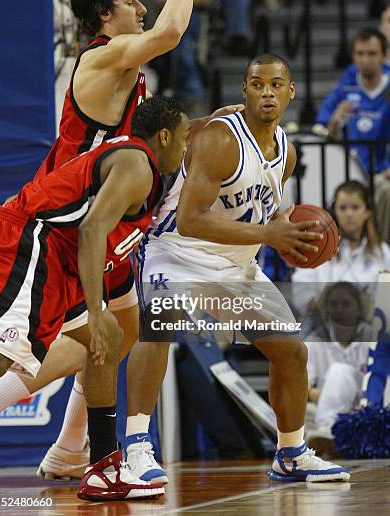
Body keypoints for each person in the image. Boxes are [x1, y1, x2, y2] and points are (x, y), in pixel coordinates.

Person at [0, 0, 203, 482]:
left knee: (119, 330)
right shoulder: (104, 58)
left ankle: (70, 449)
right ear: (106, 17)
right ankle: (93, 451)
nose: (141, 6)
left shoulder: (128, 78)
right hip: (56, 222)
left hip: (96, 219)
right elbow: (173, 29)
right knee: (24, 345)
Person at [134, 53, 350, 482]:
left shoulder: (286, 152)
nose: (266, 92)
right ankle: (137, 446)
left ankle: (290, 454)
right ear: (245, 91)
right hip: (178, 251)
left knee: (291, 352)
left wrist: (298, 236)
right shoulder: (221, 139)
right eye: (256, 84)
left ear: (290, 92)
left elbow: (258, 217)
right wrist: (269, 236)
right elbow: (193, 219)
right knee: (157, 327)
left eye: (275, 85)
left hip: (236, 264)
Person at [0, 96, 190, 500]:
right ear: (165, 136)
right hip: (32, 241)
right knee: (0, 355)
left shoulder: (140, 163)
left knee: (111, 340)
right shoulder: (138, 164)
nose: (187, 148)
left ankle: (102, 466)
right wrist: (97, 308)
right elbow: (93, 230)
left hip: (63, 261)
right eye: (184, 138)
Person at [315, 28, 390, 245]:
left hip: (380, 171)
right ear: (353, 56)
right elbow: (322, 131)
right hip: (346, 169)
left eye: (372, 53)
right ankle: (330, 253)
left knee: (386, 190)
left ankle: (382, 254)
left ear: (383, 55)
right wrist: (335, 121)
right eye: (360, 53)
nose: (365, 60)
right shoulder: (344, 88)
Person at [292, 180, 390, 321]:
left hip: (367, 329)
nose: (349, 214)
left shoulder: (382, 253)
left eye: (355, 207)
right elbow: (300, 291)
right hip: (325, 328)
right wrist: (322, 303)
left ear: (367, 212)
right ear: (334, 211)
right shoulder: (318, 248)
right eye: (343, 208)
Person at [303, 282, 372, 458]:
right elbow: (302, 389)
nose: (339, 310)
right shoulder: (314, 340)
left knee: (339, 371)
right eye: (333, 304)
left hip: (365, 406)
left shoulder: (373, 337)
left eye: (346, 304)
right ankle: (327, 435)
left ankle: (328, 429)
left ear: (359, 309)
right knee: (292, 412)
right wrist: (327, 394)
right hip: (323, 405)